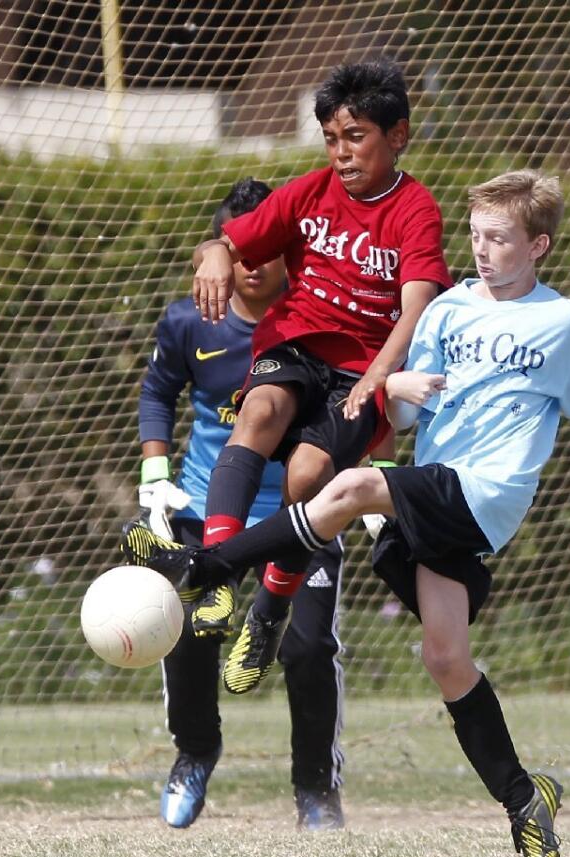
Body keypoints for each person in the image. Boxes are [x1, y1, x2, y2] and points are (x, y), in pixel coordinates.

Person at [122, 169, 570, 857]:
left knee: (345, 488)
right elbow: (407, 414)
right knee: (446, 660)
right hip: (439, 495)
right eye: (475, 236)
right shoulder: (446, 311)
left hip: (487, 491)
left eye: (500, 239)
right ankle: (526, 799)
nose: (483, 250)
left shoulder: (563, 323)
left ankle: (204, 568)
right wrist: (395, 388)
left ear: (539, 246)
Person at [187, 60, 452, 696]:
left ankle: (269, 609)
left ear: (398, 135)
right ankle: (220, 580)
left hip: (364, 367)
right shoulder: (307, 193)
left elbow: (416, 305)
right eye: (332, 138)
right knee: (259, 412)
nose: (341, 152)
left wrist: (380, 377)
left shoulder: (415, 210)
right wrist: (218, 255)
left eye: (355, 136)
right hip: (296, 342)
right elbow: (230, 239)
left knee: (307, 476)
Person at [137, 178, 350, 831]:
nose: (253, 263)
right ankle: (195, 753)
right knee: (189, 632)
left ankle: (316, 788)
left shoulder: (319, 326)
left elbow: (357, 406)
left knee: (308, 648)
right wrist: (154, 473)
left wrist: (363, 478)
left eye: (267, 247)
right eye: (239, 249)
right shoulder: (188, 322)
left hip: (298, 518)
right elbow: (157, 391)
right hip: (209, 507)